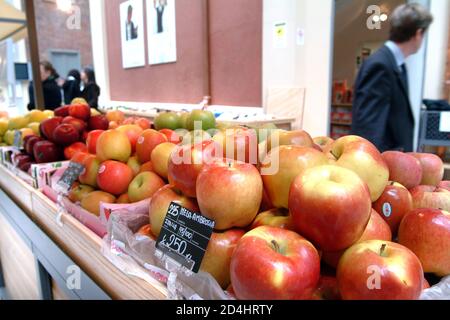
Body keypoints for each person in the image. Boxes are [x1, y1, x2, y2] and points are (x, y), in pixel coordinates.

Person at [351, 4, 433, 152]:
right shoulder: (380, 64)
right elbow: (368, 126)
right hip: (384, 163)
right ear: (418, 33)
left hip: (395, 159)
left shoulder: (397, 64)